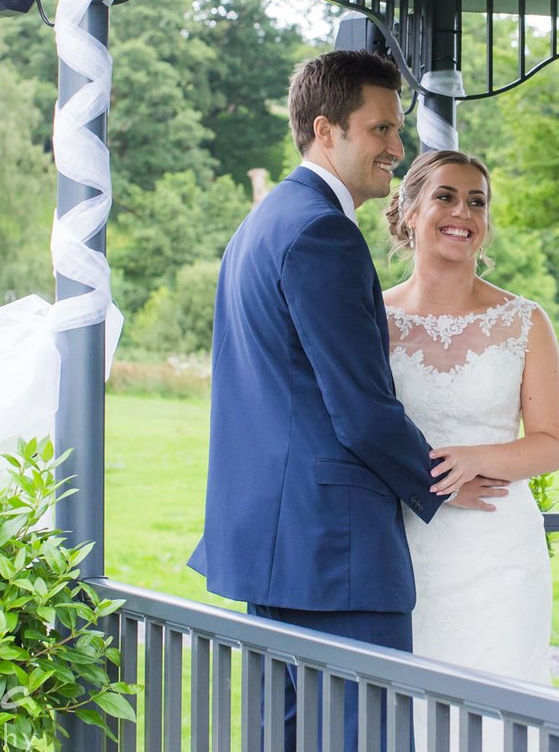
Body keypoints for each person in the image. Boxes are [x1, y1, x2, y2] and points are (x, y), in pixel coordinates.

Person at [188, 51, 504, 751]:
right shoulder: (322, 233)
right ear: (326, 130)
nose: (397, 148)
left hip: (274, 546)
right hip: (336, 554)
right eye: (381, 129)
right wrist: (446, 478)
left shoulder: (263, 223)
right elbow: (359, 410)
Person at [381, 150, 559, 686]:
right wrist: (428, 479)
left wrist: (474, 459)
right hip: (405, 543)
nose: (463, 213)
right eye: (446, 196)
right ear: (410, 211)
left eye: (477, 202)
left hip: (499, 553)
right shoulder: (374, 315)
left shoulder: (525, 321)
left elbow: (551, 443)